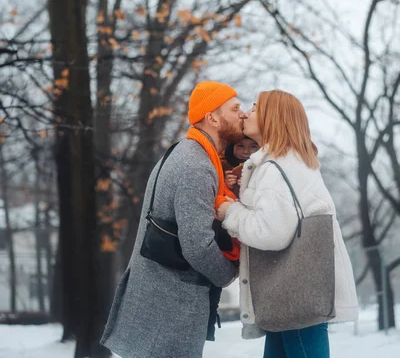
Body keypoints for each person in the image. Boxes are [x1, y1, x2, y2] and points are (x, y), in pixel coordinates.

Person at [101, 81, 245, 358]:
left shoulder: (186, 152)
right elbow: (197, 244)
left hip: (161, 300)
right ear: (212, 118)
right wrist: (228, 274)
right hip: (170, 305)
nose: (241, 114)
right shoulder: (196, 165)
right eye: (235, 108)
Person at [217, 90, 358, 358]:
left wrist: (229, 211)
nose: (246, 112)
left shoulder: (277, 167)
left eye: (256, 107)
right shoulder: (291, 161)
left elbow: (271, 232)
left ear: (273, 117)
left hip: (294, 293)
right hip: (295, 291)